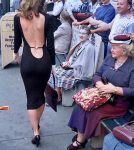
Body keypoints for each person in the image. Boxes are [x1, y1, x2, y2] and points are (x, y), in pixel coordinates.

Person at [67, 34, 134, 150]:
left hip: (117, 103)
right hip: (101, 95)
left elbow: (133, 91)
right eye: (111, 46)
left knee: (91, 111)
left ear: (124, 49)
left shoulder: (132, 65)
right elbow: (97, 75)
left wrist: (114, 89)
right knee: (81, 105)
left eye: (114, 47)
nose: (111, 49)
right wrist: (100, 84)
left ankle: (80, 140)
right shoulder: (110, 58)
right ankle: (81, 135)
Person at [13, 0, 55, 147]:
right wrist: (53, 65)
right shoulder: (48, 18)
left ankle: (35, 131)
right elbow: (51, 44)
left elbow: (17, 40)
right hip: (44, 60)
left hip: (28, 60)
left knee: (31, 97)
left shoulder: (18, 18)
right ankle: (37, 124)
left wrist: (16, 55)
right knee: (41, 94)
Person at [50, 27, 96, 104]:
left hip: (80, 72)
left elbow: (84, 64)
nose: (81, 35)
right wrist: (68, 62)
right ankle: (59, 95)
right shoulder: (81, 43)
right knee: (55, 71)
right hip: (74, 68)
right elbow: (73, 56)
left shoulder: (89, 48)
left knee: (58, 73)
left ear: (88, 36)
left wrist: (70, 66)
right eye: (80, 33)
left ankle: (58, 98)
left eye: (83, 34)